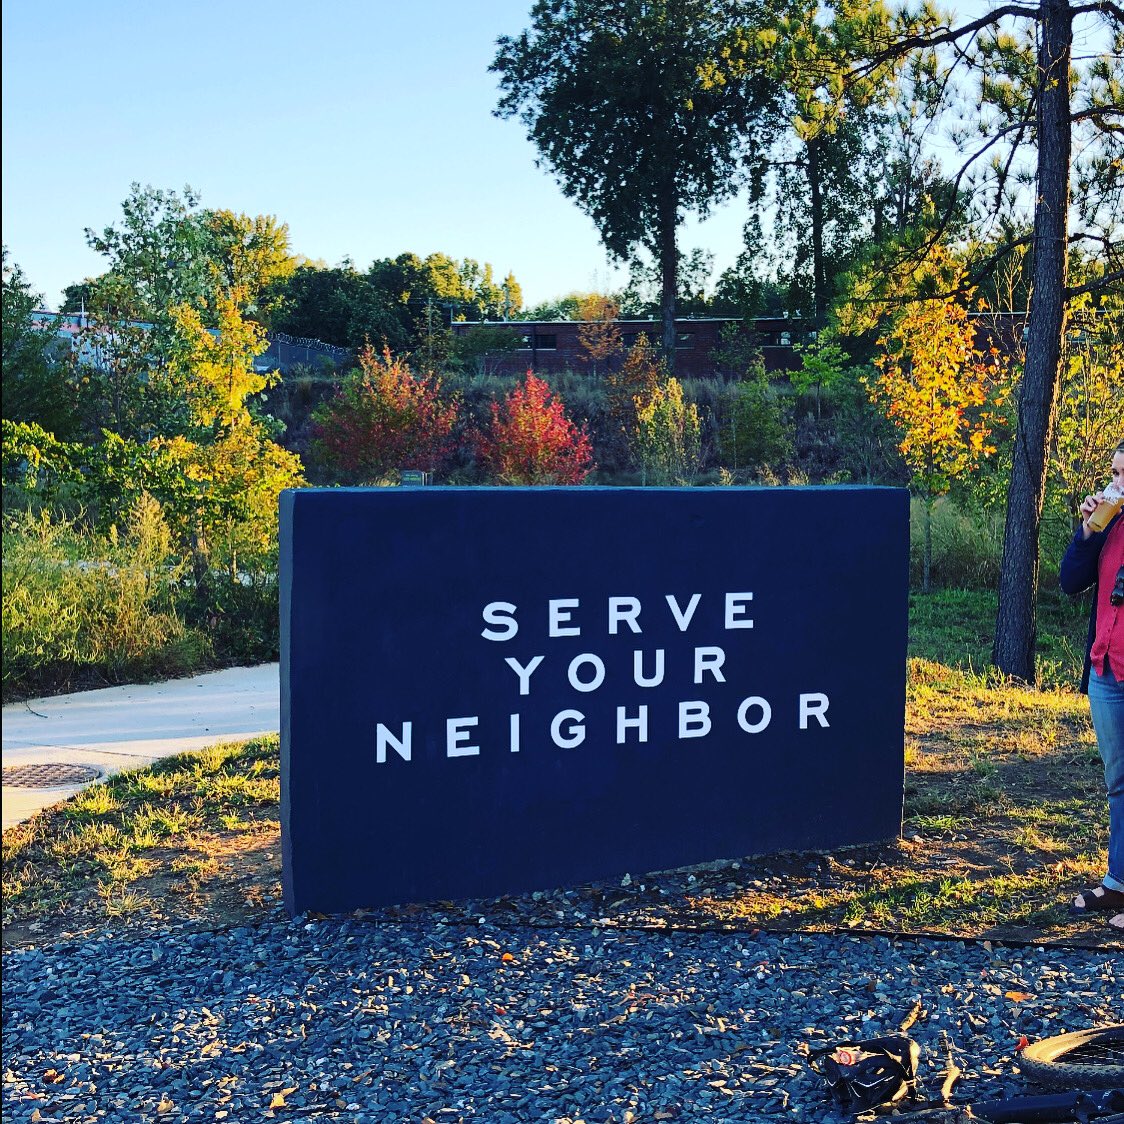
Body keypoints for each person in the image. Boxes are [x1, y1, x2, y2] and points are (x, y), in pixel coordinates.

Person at [1059, 440, 1124, 932]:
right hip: (1106, 669)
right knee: (1119, 783)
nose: (1116, 483)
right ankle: (1120, 883)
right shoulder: (1111, 521)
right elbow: (1070, 581)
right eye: (1115, 474)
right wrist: (1086, 532)